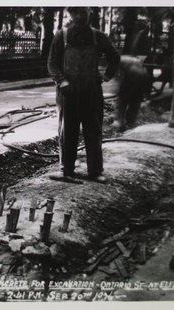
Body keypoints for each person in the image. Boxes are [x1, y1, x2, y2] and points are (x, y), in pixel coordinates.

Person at [47, 7, 120, 183]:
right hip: (68, 94)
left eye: (84, 12)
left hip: (91, 93)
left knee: (93, 131)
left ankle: (95, 171)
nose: (80, 16)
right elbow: (52, 62)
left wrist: (107, 75)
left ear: (90, 14)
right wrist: (62, 81)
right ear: (70, 14)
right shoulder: (61, 36)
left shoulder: (98, 36)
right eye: (76, 12)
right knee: (67, 132)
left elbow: (114, 57)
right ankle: (66, 170)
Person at [112, 55, 149, 131]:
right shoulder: (129, 58)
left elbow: (119, 76)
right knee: (135, 100)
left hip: (132, 73)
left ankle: (119, 121)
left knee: (123, 100)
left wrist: (119, 90)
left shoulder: (116, 60)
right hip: (143, 74)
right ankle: (131, 122)